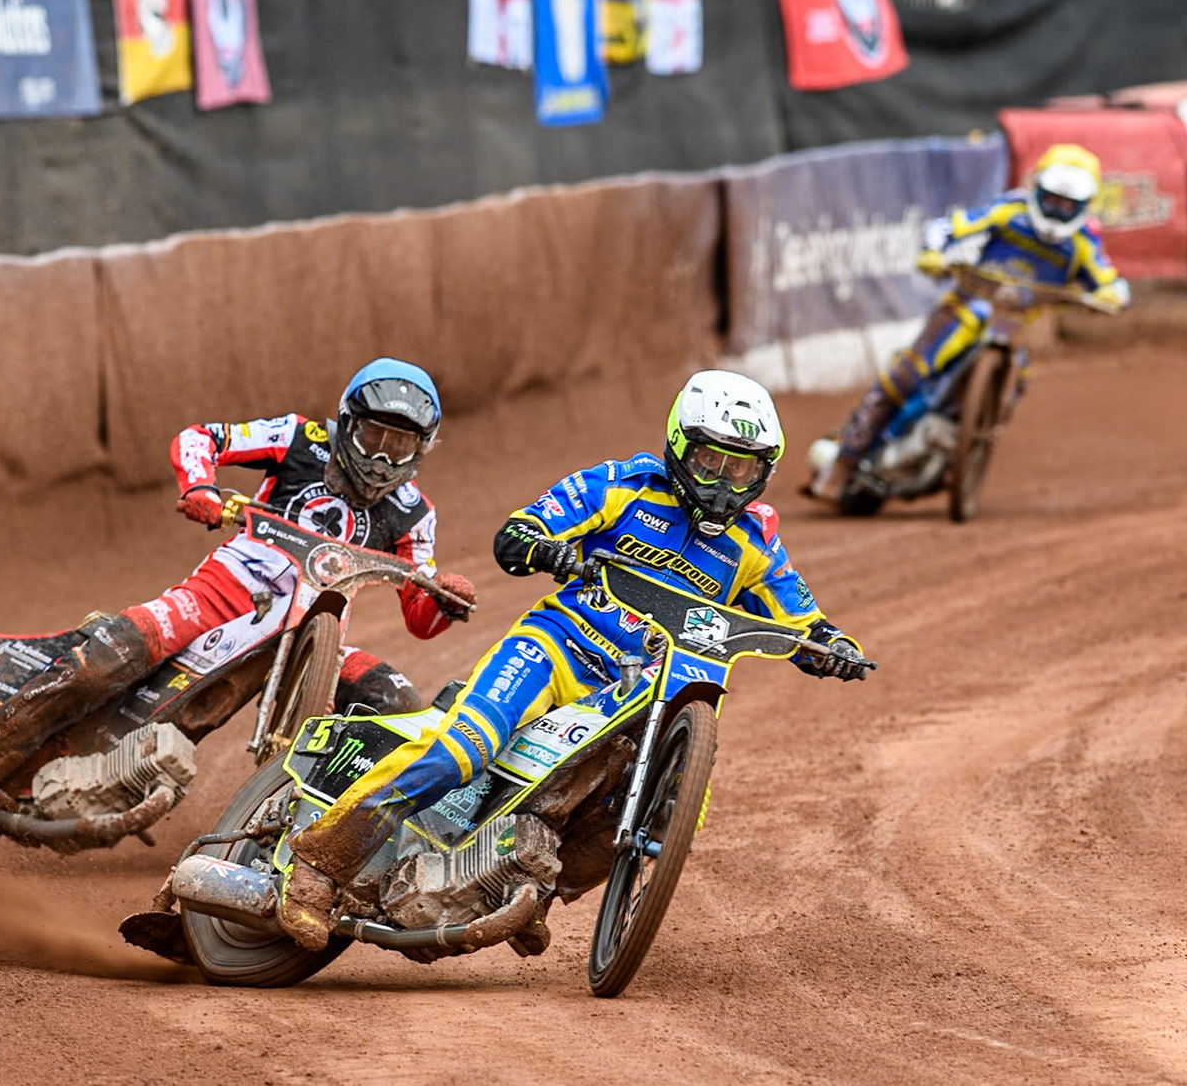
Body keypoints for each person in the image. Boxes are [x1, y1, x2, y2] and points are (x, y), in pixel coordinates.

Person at [277, 370, 869, 951]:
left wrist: (836, 649)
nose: (721, 483)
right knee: (463, 749)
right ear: (680, 445)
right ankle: (319, 864)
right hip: (557, 648)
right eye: (710, 461)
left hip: (641, 693)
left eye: (739, 469)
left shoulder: (757, 543)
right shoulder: (623, 485)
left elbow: (804, 622)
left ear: (764, 472)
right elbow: (518, 533)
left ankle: (522, 883)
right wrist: (549, 550)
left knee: (668, 814)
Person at [0, 359, 479, 826]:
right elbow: (201, 438)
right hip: (222, 593)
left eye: (400, 445)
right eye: (374, 437)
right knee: (109, 658)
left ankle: (334, 830)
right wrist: (201, 487)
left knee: (397, 703)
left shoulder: (415, 513)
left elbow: (420, 615)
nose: (382, 457)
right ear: (348, 423)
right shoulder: (299, 437)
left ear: (422, 448)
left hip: (311, 639)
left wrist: (446, 600)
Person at [807, 144, 1130, 507]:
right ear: (1037, 190)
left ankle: (958, 456)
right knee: (907, 373)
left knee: (1013, 390)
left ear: (1085, 205)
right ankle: (843, 464)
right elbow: (949, 226)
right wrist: (934, 252)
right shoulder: (1011, 211)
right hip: (966, 305)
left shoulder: (1082, 244)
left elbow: (1111, 281)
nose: (1058, 210)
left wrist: (1110, 297)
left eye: (1069, 205)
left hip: (1014, 330)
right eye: (1053, 200)